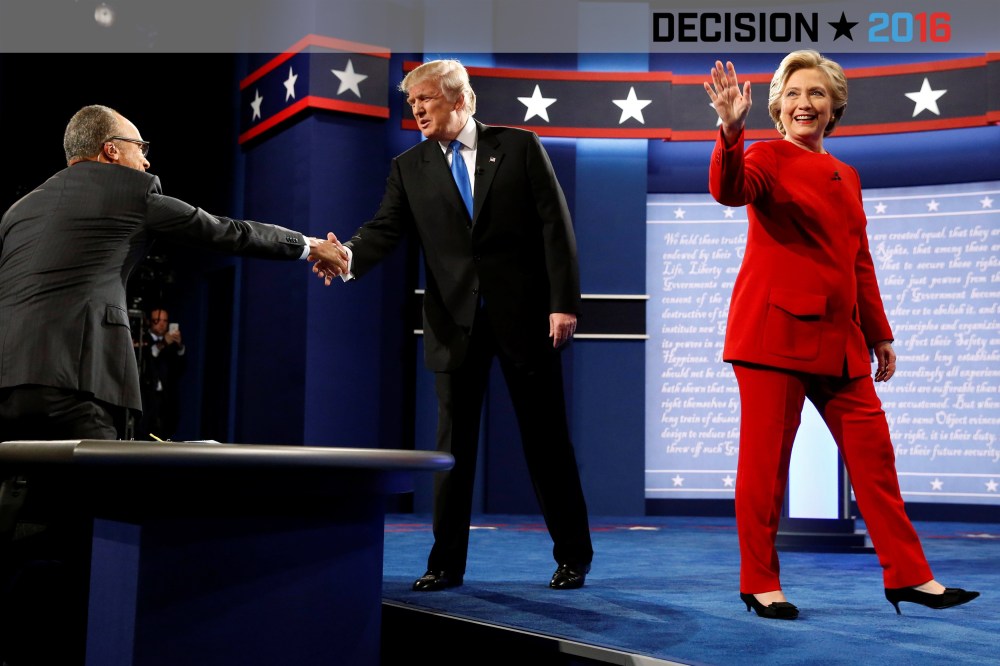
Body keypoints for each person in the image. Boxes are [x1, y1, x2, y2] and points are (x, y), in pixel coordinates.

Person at [0, 104, 346, 664]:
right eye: (139, 145)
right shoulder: (130, 191)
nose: (146, 156)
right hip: (80, 384)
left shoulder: (19, 209)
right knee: (102, 529)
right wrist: (313, 246)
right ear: (111, 150)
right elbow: (227, 233)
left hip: (9, 383)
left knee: (22, 512)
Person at [703, 50, 979, 619]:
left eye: (818, 94)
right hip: (772, 337)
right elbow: (730, 191)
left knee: (875, 458)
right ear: (776, 106)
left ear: (835, 106)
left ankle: (909, 576)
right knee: (764, 467)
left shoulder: (847, 174)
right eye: (796, 94)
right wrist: (730, 132)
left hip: (842, 341)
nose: (806, 103)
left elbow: (858, 260)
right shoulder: (764, 155)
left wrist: (880, 333)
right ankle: (759, 582)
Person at [310, 59, 593, 591]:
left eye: (425, 99)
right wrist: (346, 256)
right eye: (411, 102)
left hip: (525, 320)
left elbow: (556, 226)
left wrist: (563, 303)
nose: (415, 109)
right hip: (452, 325)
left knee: (546, 442)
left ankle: (573, 556)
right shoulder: (408, 167)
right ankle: (445, 565)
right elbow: (384, 230)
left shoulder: (519, 146)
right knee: (452, 450)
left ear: (460, 98)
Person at [138, 307, 187, 440]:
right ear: (149, 322)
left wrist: (180, 347)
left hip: (166, 398)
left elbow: (180, 370)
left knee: (165, 432)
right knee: (145, 432)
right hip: (146, 396)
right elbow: (148, 356)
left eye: (165, 321)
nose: (161, 324)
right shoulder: (142, 338)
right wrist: (163, 343)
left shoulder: (171, 345)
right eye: (157, 320)